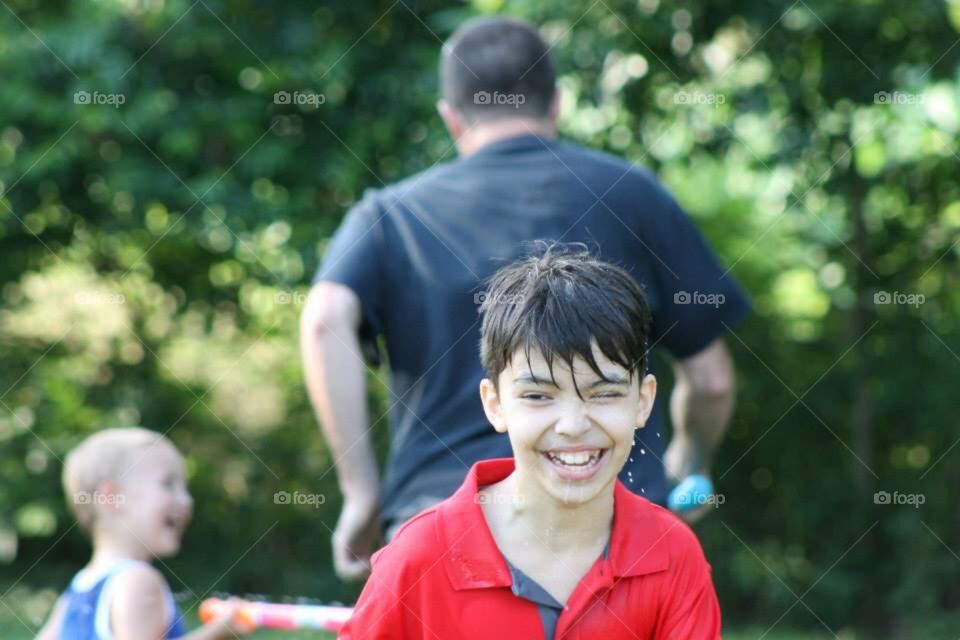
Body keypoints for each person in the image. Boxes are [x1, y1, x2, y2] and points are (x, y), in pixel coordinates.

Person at [301, 15, 751, 582]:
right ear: (556, 104)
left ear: (450, 118)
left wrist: (360, 492)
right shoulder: (632, 194)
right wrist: (692, 460)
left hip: (442, 524)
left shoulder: (390, 215)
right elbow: (711, 380)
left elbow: (323, 323)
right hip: (612, 533)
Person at [337, 244, 721, 639]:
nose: (572, 425)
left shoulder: (673, 554)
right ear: (495, 404)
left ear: (642, 402)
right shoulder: (418, 558)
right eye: (538, 395)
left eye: (604, 394)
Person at [36, 427, 251, 640]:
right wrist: (217, 633)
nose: (187, 501)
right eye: (168, 484)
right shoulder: (138, 580)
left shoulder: (78, 589)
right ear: (112, 497)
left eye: (185, 488)